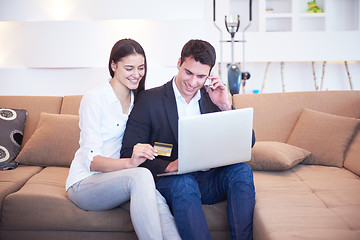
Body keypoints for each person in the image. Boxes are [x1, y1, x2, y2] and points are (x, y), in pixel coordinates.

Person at [121, 39, 256, 240]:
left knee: (242, 171)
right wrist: (169, 166)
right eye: (188, 72)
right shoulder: (149, 100)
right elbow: (127, 152)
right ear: (179, 64)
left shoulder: (213, 98)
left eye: (201, 76)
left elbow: (248, 141)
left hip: (208, 179)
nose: (193, 82)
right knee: (183, 182)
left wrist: (225, 107)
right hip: (171, 181)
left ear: (209, 74)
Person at [65, 39, 180, 240]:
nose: (136, 74)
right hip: (85, 182)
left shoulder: (140, 100)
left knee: (158, 201)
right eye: (129, 68)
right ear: (113, 65)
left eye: (141, 68)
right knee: (141, 175)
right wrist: (130, 163)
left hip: (119, 180)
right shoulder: (94, 99)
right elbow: (91, 161)